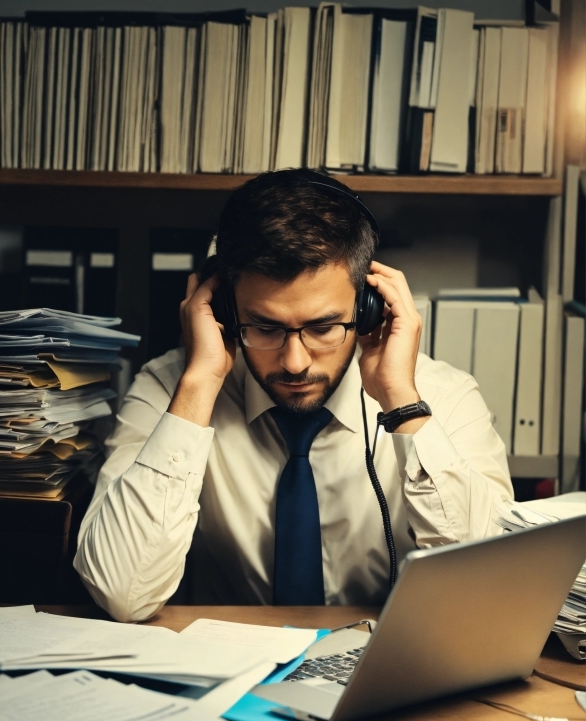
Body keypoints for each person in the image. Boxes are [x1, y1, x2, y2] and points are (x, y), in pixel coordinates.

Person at [74, 169, 513, 622]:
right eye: (264, 327)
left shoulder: (444, 397)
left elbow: (488, 591)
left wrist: (401, 402)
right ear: (223, 310)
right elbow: (122, 594)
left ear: (368, 308)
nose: (295, 361)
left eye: (323, 327)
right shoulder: (172, 389)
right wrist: (200, 382)